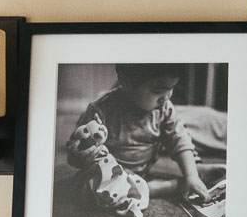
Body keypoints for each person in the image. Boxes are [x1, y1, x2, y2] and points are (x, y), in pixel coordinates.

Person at [68, 63, 211, 207]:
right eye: (157, 91)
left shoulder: (165, 109)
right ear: (126, 82)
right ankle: (166, 187)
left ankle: (193, 173)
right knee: (87, 191)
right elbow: (75, 150)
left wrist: (192, 176)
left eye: (171, 88)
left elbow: (180, 140)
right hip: (108, 175)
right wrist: (84, 151)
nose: (166, 97)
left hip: (142, 172)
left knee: (187, 158)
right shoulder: (100, 109)